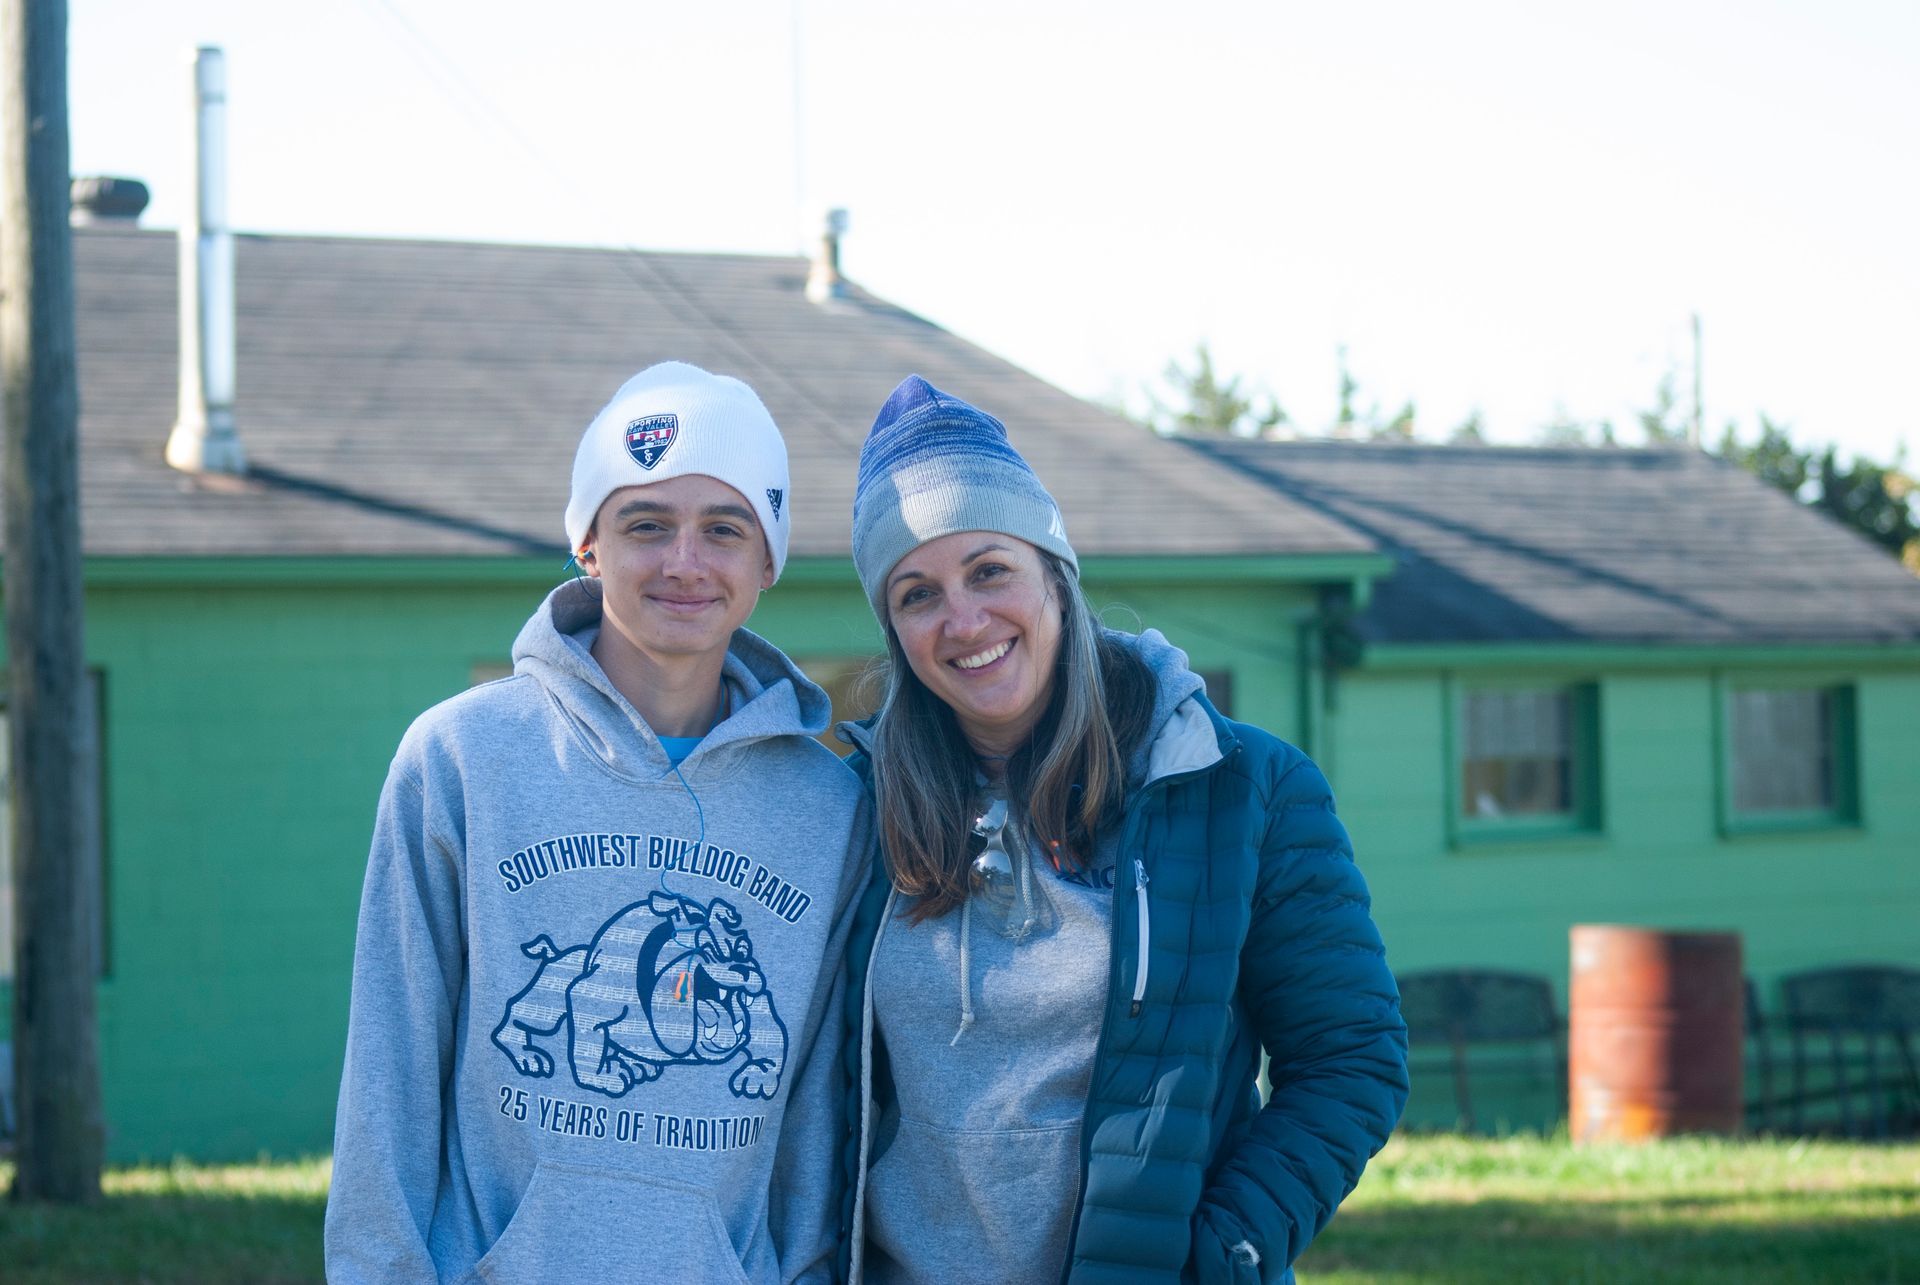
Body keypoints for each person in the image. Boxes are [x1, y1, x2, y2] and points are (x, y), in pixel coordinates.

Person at [833, 376, 1409, 1284]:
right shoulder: (859, 809)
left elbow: (1352, 1059)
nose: (964, 619)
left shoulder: (1237, 787)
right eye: (917, 593)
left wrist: (1218, 1255)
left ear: (1055, 575)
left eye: (990, 570)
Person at [325, 361, 870, 1284]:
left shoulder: (830, 808)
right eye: (646, 524)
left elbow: (815, 1125)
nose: (684, 561)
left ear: (767, 561)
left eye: (725, 528)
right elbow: (389, 1073)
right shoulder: (460, 759)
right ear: (587, 543)